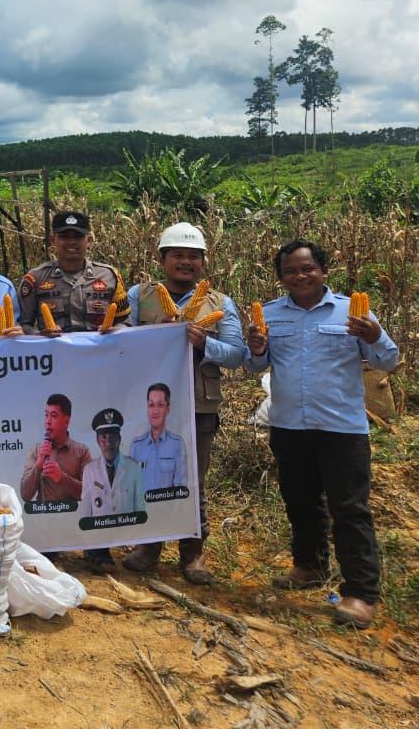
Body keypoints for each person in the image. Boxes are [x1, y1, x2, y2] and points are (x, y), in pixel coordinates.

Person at [244, 240, 398, 629]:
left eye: (307, 268)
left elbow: (388, 360)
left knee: (350, 509)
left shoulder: (352, 312)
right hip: (289, 425)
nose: (299, 276)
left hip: (341, 428)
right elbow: (255, 364)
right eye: (290, 271)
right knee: (300, 501)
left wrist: (374, 335)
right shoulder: (272, 315)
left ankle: (361, 593)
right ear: (281, 277)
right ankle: (309, 566)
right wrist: (257, 348)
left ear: (324, 271)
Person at [123, 222, 245, 584]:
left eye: (194, 256)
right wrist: (153, 335)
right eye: (177, 255)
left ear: (204, 263)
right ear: (162, 260)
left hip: (198, 404)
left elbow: (237, 355)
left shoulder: (220, 303)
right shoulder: (139, 295)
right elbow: (120, 344)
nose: (186, 262)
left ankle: (193, 551)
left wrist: (203, 343)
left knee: (192, 479)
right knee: (149, 474)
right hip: (151, 404)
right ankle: (149, 545)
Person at [17, 211, 128, 334]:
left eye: (78, 236)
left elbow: (125, 322)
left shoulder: (110, 276)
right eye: (64, 236)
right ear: (53, 240)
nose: (71, 242)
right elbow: (23, 325)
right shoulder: (35, 278)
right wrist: (39, 335)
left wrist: (116, 330)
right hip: (54, 350)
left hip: (100, 351)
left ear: (89, 240)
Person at [20, 394, 91, 503]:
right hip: (42, 517)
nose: (48, 421)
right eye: (46, 415)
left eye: (53, 415)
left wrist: (61, 478)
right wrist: (38, 464)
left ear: (66, 421)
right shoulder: (36, 450)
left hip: (72, 517)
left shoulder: (81, 451)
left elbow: (89, 493)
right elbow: (25, 495)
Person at [79, 408, 145, 520]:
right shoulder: (89, 470)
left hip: (127, 534)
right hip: (101, 536)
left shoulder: (133, 468)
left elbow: (140, 511)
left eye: (112, 437)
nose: (108, 443)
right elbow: (85, 515)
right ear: (97, 441)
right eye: (104, 438)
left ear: (119, 439)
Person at [128, 383, 188, 493]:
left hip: (168, 509)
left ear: (168, 409)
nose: (155, 411)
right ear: (147, 409)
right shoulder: (136, 446)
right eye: (151, 405)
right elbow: (130, 488)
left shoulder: (177, 444)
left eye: (160, 405)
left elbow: (181, 490)